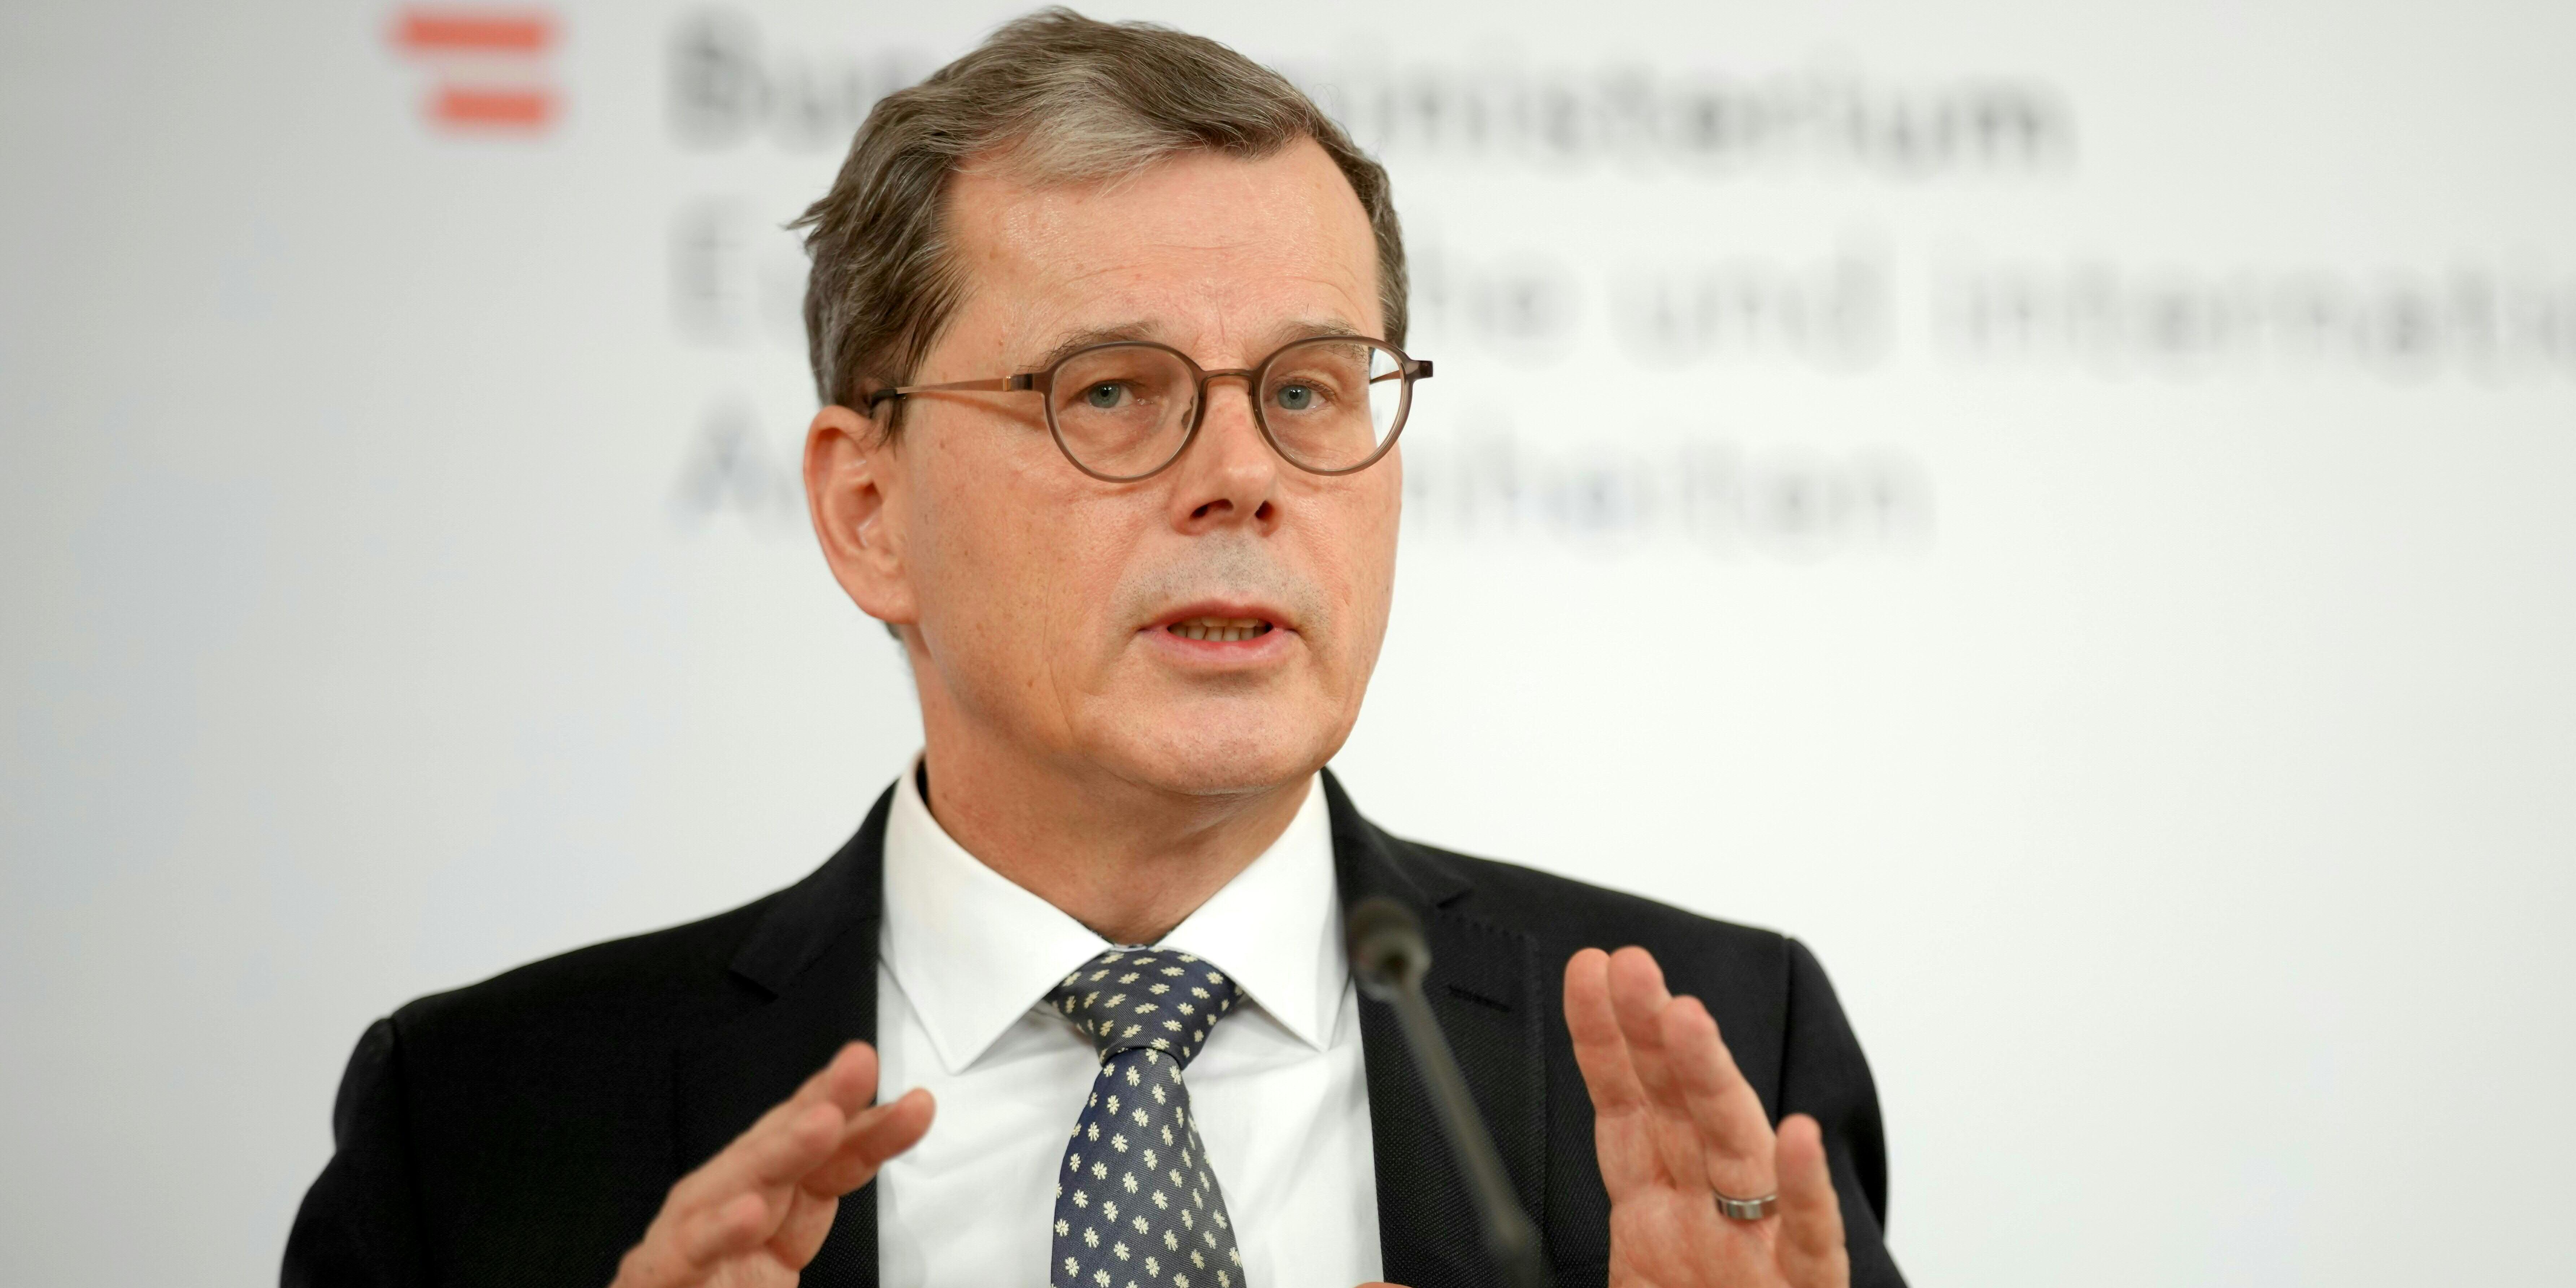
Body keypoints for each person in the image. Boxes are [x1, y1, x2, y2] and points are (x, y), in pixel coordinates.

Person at [284, 10, 1903, 1288]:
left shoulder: (1717, 1053)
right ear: (868, 512)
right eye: (1111, 391)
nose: (1242, 478)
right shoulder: (486, 1119)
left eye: (1308, 389)